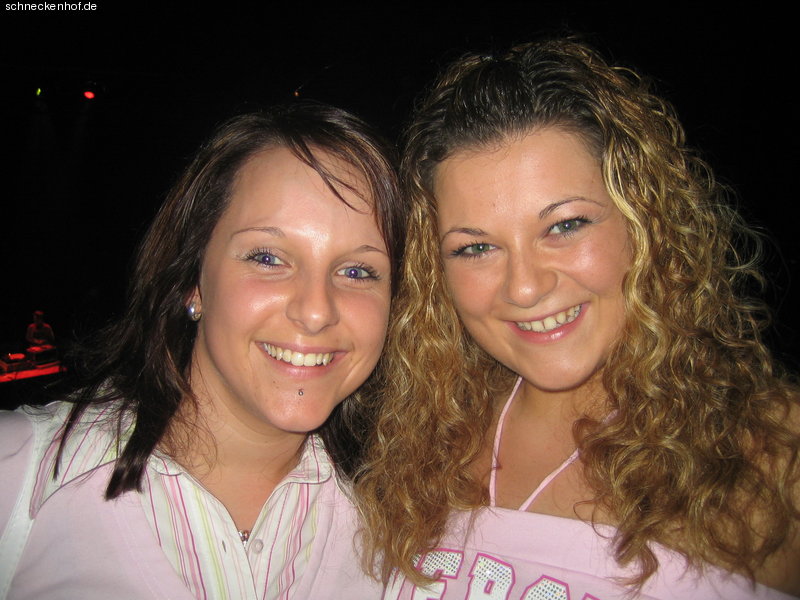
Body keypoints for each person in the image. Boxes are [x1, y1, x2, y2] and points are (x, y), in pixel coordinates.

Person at [356, 39, 800, 599]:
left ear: (644, 221)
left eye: (564, 226)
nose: (524, 286)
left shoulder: (776, 454)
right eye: (475, 248)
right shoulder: (420, 447)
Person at [0, 103, 403, 599]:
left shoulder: (408, 539)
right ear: (192, 281)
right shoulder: (18, 476)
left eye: (358, 271)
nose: (316, 311)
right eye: (268, 258)